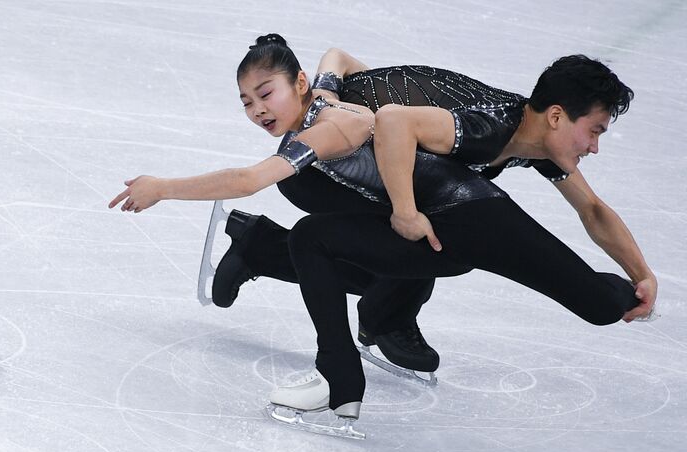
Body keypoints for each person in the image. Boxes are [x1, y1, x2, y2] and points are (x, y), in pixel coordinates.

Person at [275, 54, 652, 432]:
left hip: (433, 197)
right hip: (322, 175)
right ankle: (364, 344)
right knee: (325, 240)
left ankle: (361, 330)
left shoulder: (534, 137)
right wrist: (405, 212)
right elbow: (394, 119)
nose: (595, 146)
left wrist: (642, 274)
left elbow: (592, 209)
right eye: (595, 131)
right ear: (556, 116)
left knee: (370, 243)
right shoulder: (487, 126)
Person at [111, 35, 444, 378]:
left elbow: (336, 56)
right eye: (247, 102)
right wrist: (162, 188)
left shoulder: (327, 99)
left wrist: (383, 106)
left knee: (410, 244)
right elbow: (246, 180)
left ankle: (261, 248)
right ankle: (388, 316)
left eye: (266, 94)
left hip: (330, 176)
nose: (258, 109)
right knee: (421, 238)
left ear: (302, 82)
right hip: (314, 179)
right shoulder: (320, 128)